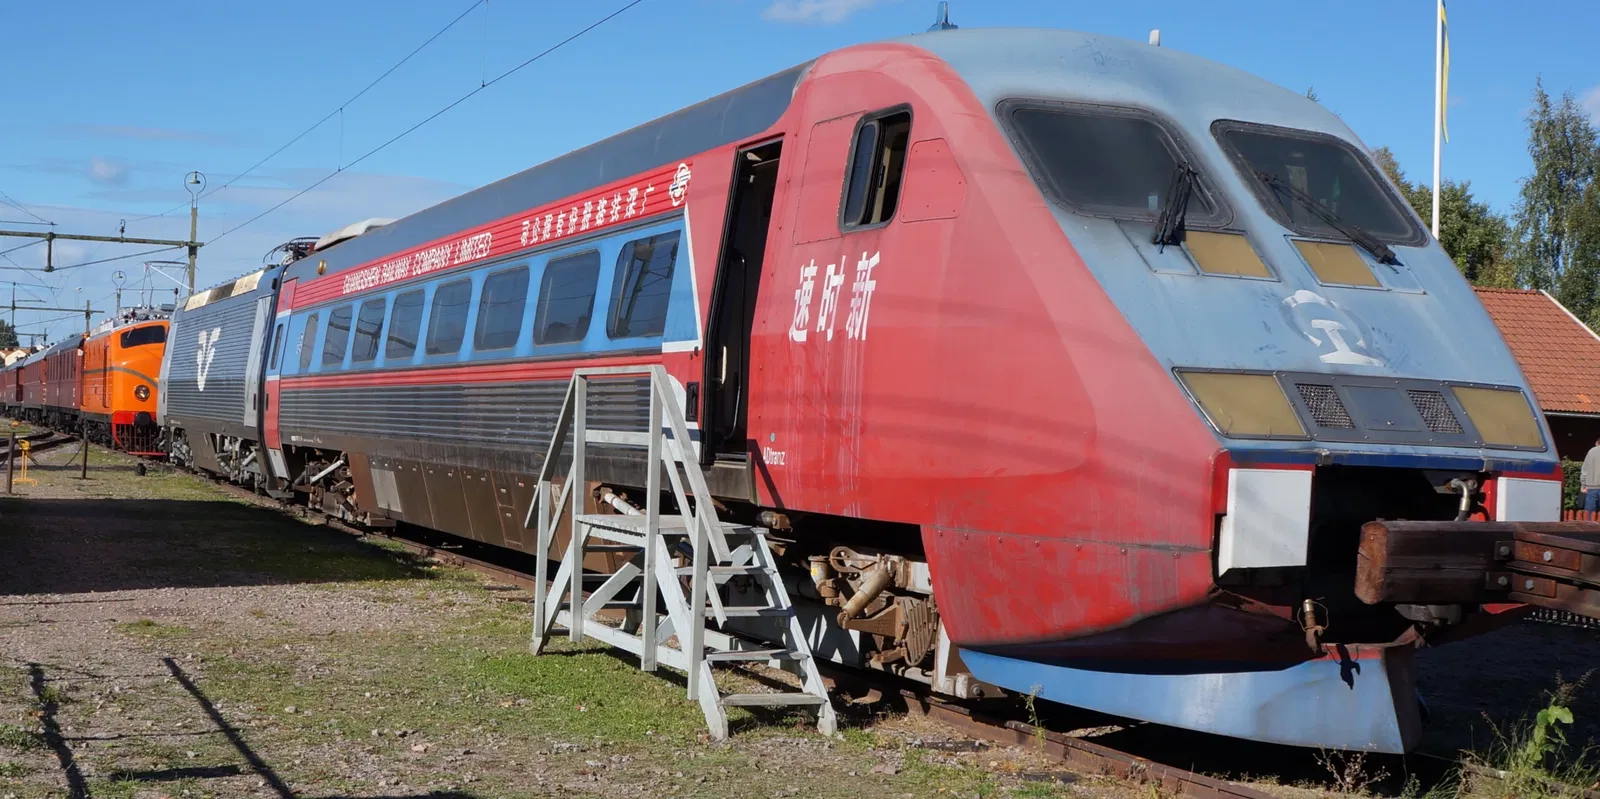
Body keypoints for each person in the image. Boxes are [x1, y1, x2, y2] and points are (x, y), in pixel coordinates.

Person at [1583, 437, 1600, 513]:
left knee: (1590, 516)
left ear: (1597, 443)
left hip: (1592, 487)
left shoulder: (1591, 451)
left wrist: (1583, 485)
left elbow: (1584, 469)